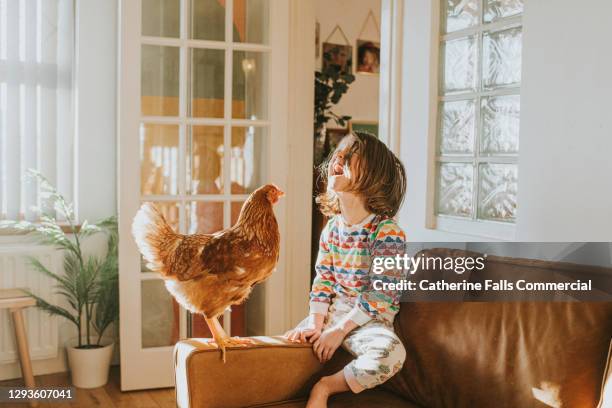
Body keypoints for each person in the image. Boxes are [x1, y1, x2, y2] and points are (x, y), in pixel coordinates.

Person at [284, 132, 408, 407]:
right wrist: (315, 322)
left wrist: (339, 330)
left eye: (351, 154)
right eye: (337, 152)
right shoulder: (331, 230)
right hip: (331, 316)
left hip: (366, 322)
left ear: (374, 175)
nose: (339, 157)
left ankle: (325, 386)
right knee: (286, 345)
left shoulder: (387, 232)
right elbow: (323, 281)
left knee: (391, 354)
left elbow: (382, 294)